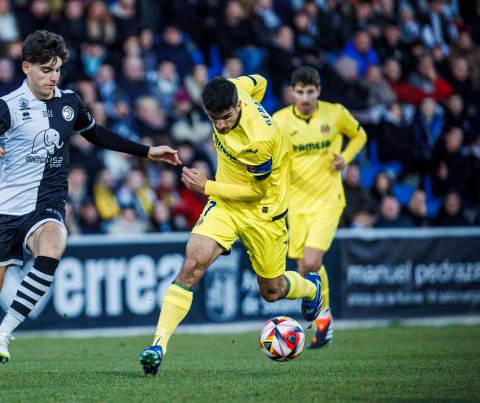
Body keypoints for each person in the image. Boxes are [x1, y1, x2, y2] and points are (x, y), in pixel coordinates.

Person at [0, 30, 180, 378]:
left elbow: (96, 134)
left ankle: (3, 335)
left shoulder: (69, 103)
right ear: (26, 67)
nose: (52, 77)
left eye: (56, 69)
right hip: (4, 211)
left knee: (54, 244)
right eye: (44, 70)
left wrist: (147, 152)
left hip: (46, 206)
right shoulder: (7, 106)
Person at [139, 74, 323, 376]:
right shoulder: (236, 88)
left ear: (238, 106)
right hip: (225, 204)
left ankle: (309, 287)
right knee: (192, 262)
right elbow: (261, 81)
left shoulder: (259, 139)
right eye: (214, 119)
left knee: (272, 291)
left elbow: (255, 191)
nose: (221, 125)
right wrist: (215, 189)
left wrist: (207, 187)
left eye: (226, 117)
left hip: (264, 211)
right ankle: (158, 346)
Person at [272, 67, 367, 349]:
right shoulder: (279, 121)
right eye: (299, 92)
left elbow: (360, 136)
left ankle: (322, 319)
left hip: (327, 201)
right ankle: (324, 321)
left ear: (319, 91)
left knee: (311, 262)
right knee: (304, 269)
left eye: (310, 91)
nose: (304, 97)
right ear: (292, 92)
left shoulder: (335, 113)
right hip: (295, 204)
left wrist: (345, 159)